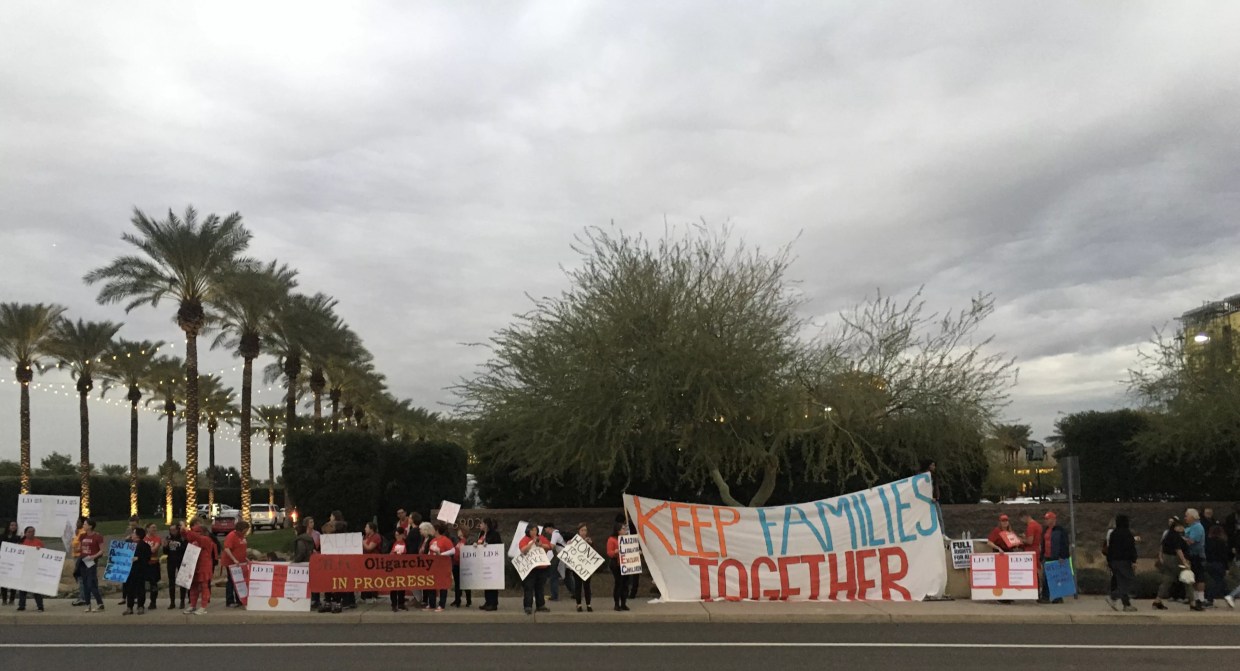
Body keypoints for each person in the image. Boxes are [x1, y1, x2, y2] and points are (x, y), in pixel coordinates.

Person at [181, 518, 219, 615]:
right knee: (193, 586)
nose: (195, 533)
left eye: (197, 531)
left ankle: (203, 606)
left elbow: (195, 537)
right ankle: (193, 605)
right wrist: (182, 529)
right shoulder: (194, 539)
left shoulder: (206, 539)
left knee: (204, 586)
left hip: (204, 566)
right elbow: (186, 536)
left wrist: (186, 529)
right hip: (193, 564)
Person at [1152, 518, 1190, 610]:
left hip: (1168, 559)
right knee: (1188, 579)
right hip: (1174, 560)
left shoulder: (1169, 534)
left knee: (1167, 580)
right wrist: (1184, 561)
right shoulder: (1175, 536)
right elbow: (1178, 549)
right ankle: (1193, 601)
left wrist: (1161, 557)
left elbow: (1162, 546)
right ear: (1176, 527)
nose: (1182, 528)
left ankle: (1157, 600)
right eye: (1180, 526)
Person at [1103, 514, 1138, 612]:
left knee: (1121, 583)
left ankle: (1126, 604)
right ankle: (1113, 597)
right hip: (1124, 561)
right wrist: (1134, 560)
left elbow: (1110, 548)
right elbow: (1131, 548)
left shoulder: (1113, 533)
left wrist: (1109, 561)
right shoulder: (1127, 533)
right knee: (1128, 582)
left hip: (1114, 561)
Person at [520, 522, 552, 615]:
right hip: (530, 568)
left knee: (540, 587)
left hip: (541, 567)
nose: (534, 532)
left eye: (536, 530)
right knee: (528, 587)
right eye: (532, 530)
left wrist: (540, 544)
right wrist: (532, 543)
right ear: (528, 531)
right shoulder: (525, 539)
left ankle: (540, 605)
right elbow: (523, 550)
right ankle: (528, 606)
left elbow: (549, 546)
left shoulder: (541, 538)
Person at [1037, 512, 1069, 604]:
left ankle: (1057, 597)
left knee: (1056, 578)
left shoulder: (1060, 530)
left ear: (1053, 519)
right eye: (1045, 519)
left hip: (1056, 557)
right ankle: (1046, 597)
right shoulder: (1045, 530)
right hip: (1047, 556)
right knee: (1046, 578)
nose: (1045, 521)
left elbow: (1064, 544)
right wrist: (1041, 556)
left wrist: (1063, 556)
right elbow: (1043, 544)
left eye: (1047, 519)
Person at [426, 521, 456, 611]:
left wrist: (441, 554)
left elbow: (453, 550)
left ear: (437, 530)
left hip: (442, 566)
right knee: (431, 584)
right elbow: (429, 551)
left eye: (432, 529)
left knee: (442, 584)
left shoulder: (445, 540)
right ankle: (432, 604)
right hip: (433, 565)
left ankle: (441, 604)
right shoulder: (432, 540)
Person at [77, 518, 106, 612]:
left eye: (85, 524)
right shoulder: (82, 536)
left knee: (91, 583)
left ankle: (100, 603)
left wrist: (94, 556)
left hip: (91, 562)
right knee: (84, 583)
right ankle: (88, 604)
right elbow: (79, 548)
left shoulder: (97, 537)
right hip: (83, 560)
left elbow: (102, 550)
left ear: (90, 526)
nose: (83, 526)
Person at [15, 526, 45, 612]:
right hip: (24, 568)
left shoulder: (39, 542)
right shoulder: (21, 542)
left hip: (35, 568)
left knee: (36, 589)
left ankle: (40, 606)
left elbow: (44, 554)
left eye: (33, 531)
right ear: (25, 533)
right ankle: (21, 606)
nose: (32, 533)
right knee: (23, 588)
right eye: (29, 531)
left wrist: (40, 550)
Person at [123, 528, 152, 615]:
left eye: (134, 533)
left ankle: (140, 606)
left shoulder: (144, 546)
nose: (132, 534)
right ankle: (129, 607)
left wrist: (138, 558)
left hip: (139, 570)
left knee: (140, 589)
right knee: (129, 589)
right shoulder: (128, 544)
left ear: (138, 535)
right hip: (129, 570)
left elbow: (147, 558)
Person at [1182, 508, 1207, 611]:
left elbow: (1191, 541)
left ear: (1192, 516)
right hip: (1191, 555)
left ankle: (1200, 599)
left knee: (1199, 577)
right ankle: (1195, 598)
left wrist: (1181, 538)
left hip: (1196, 556)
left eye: (1186, 516)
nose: (1185, 518)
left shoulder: (1197, 527)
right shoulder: (1190, 527)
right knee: (1193, 578)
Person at [222, 520, 250, 608]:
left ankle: (239, 599)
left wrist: (246, 559)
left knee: (240, 581)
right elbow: (227, 548)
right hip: (232, 563)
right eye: (245, 530)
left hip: (241, 562)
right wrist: (234, 559)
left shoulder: (242, 537)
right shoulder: (232, 536)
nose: (246, 532)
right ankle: (230, 600)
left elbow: (241, 549)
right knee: (231, 581)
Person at [477, 517, 502, 611]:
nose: (480, 525)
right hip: (484, 561)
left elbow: (498, 546)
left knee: (492, 583)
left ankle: (493, 603)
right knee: (486, 582)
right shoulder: (482, 534)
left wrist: (489, 546)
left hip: (493, 562)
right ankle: (487, 601)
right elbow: (480, 543)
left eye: (482, 523)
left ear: (486, 524)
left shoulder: (495, 534)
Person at [1204, 524, 1229, 607]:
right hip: (1219, 564)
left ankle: (1210, 597)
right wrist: (1226, 567)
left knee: (1216, 581)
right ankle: (1210, 598)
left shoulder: (1208, 541)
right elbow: (1224, 556)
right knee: (1219, 582)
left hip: (1209, 563)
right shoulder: (1222, 542)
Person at [164, 522, 188, 610]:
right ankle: (172, 602)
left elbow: (185, 549)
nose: (172, 531)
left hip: (181, 560)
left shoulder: (182, 538)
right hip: (171, 561)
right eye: (171, 530)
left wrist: (176, 546)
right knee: (171, 581)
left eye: (174, 530)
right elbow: (165, 552)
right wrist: (165, 546)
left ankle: (182, 601)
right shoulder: (168, 538)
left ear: (178, 530)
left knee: (182, 581)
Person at [572, 523, 594, 613]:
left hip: (586, 567)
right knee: (578, 586)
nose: (584, 532)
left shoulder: (589, 540)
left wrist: (591, 544)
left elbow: (593, 554)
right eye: (582, 530)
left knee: (587, 586)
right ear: (578, 531)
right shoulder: (574, 541)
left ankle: (588, 604)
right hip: (577, 566)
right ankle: (579, 604)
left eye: (585, 530)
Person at [607, 521, 629, 611]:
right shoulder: (611, 540)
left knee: (625, 584)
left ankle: (623, 603)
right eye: (623, 529)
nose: (625, 530)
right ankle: (617, 604)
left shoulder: (627, 539)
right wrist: (615, 552)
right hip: (616, 564)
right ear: (618, 531)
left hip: (626, 564)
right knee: (619, 583)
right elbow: (609, 553)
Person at [360, 521, 383, 604]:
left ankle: (373, 595)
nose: (365, 529)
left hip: (373, 560)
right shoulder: (366, 536)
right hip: (365, 560)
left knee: (372, 578)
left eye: (366, 527)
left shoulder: (376, 537)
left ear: (371, 529)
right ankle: (364, 596)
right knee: (365, 578)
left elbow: (369, 548)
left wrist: (363, 542)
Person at [450, 523, 471, 608]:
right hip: (456, 564)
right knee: (457, 583)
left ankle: (468, 600)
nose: (458, 532)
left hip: (463, 565)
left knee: (465, 583)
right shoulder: (458, 541)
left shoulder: (467, 541)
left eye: (459, 530)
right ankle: (457, 600)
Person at [389, 526, 409, 612]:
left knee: (402, 585)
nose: (396, 537)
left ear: (402, 535)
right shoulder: (392, 543)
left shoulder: (406, 543)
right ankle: (394, 604)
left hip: (402, 567)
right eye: (395, 535)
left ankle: (401, 603)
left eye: (398, 535)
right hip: (393, 567)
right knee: (393, 586)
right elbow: (387, 554)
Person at [544, 521, 566, 602]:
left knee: (553, 575)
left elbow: (552, 546)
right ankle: (574, 593)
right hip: (564, 555)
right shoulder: (558, 533)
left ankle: (554, 595)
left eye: (545, 529)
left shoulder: (554, 534)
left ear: (549, 528)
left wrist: (542, 545)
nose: (545, 531)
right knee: (566, 575)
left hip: (562, 556)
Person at [142, 523, 162, 610]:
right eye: (153, 527)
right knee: (141, 584)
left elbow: (154, 549)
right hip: (144, 564)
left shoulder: (157, 538)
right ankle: (141, 603)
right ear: (147, 529)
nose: (154, 529)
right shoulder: (143, 539)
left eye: (155, 527)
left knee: (153, 584)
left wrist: (144, 550)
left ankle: (153, 602)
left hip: (154, 564)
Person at [1, 520, 19, 605]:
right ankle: (4, 600)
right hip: (4, 561)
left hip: (15, 562)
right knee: (3, 581)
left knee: (13, 582)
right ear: (8, 526)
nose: (13, 527)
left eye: (15, 525)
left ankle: (12, 600)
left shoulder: (19, 537)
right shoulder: (2, 536)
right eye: (12, 525)